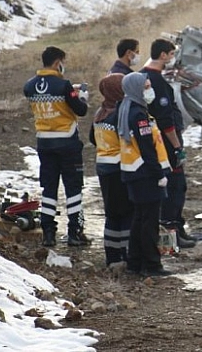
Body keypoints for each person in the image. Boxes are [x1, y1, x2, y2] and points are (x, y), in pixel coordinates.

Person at [23, 46, 90, 247]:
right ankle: (74, 232)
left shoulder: (30, 86)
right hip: (67, 142)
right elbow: (80, 109)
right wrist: (82, 97)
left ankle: (48, 234)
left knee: (49, 189)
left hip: (44, 143)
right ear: (57, 62)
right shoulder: (64, 85)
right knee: (73, 188)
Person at [140, 38, 197, 249]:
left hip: (154, 142)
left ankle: (176, 227)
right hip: (165, 143)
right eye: (171, 54)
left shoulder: (141, 76)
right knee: (176, 186)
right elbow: (166, 121)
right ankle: (172, 230)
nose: (172, 59)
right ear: (163, 55)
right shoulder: (156, 82)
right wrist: (177, 147)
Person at [118, 72, 172, 277]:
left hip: (134, 173)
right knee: (149, 222)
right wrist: (158, 173)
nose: (150, 91)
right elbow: (147, 147)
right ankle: (151, 264)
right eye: (146, 87)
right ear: (136, 89)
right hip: (145, 174)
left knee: (140, 219)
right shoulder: (138, 114)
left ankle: (135, 262)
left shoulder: (127, 108)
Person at [90, 72, 133, 266]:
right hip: (118, 168)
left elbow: (92, 138)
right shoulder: (119, 113)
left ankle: (112, 254)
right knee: (124, 212)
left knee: (112, 212)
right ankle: (123, 254)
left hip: (103, 167)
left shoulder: (100, 113)